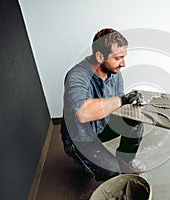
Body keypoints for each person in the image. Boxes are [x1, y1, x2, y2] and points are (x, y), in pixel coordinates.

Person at [61, 28, 144, 181]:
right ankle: (96, 166)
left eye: (124, 57)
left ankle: (125, 162)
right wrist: (122, 100)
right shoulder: (77, 76)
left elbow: (119, 106)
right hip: (80, 138)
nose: (123, 63)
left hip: (102, 126)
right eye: (118, 58)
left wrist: (135, 105)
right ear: (100, 56)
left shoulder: (114, 73)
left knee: (136, 122)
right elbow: (81, 113)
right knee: (112, 172)